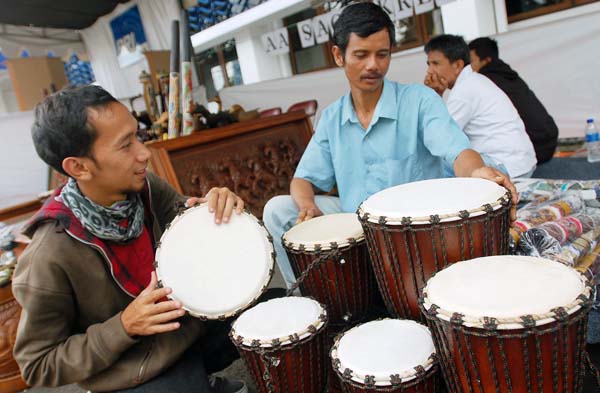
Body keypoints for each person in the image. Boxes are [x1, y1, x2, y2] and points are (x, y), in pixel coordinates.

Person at [263, 2, 517, 289]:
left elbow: (457, 151)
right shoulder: (332, 118)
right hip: (356, 223)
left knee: (485, 172)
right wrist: (308, 207)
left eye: (382, 54)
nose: (373, 65)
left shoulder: (419, 100)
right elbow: (302, 179)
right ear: (338, 55)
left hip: (413, 231)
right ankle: (305, 300)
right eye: (361, 55)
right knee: (278, 209)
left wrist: (477, 172)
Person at [12, 86, 249, 393]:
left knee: (270, 308)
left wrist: (214, 207)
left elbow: (182, 215)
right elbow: (38, 365)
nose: (144, 152)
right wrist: (123, 326)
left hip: (184, 329)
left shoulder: (144, 186)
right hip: (131, 365)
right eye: (125, 145)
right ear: (79, 167)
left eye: (137, 136)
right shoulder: (48, 254)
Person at [424, 34, 537, 179]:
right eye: (429, 64)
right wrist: (437, 94)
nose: (430, 71)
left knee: (433, 162)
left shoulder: (464, 90)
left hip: (507, 166)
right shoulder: (473, 80)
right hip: (520, 162)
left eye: (436, 63)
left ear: (457, 65)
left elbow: (440, 137)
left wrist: (433, 94)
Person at [468, 37, 558, 163]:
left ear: (486, 60)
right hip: (550, 139)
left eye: (470, 61)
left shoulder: (485, 81)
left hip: (534, 148)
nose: (468, 67)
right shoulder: (508, 74)